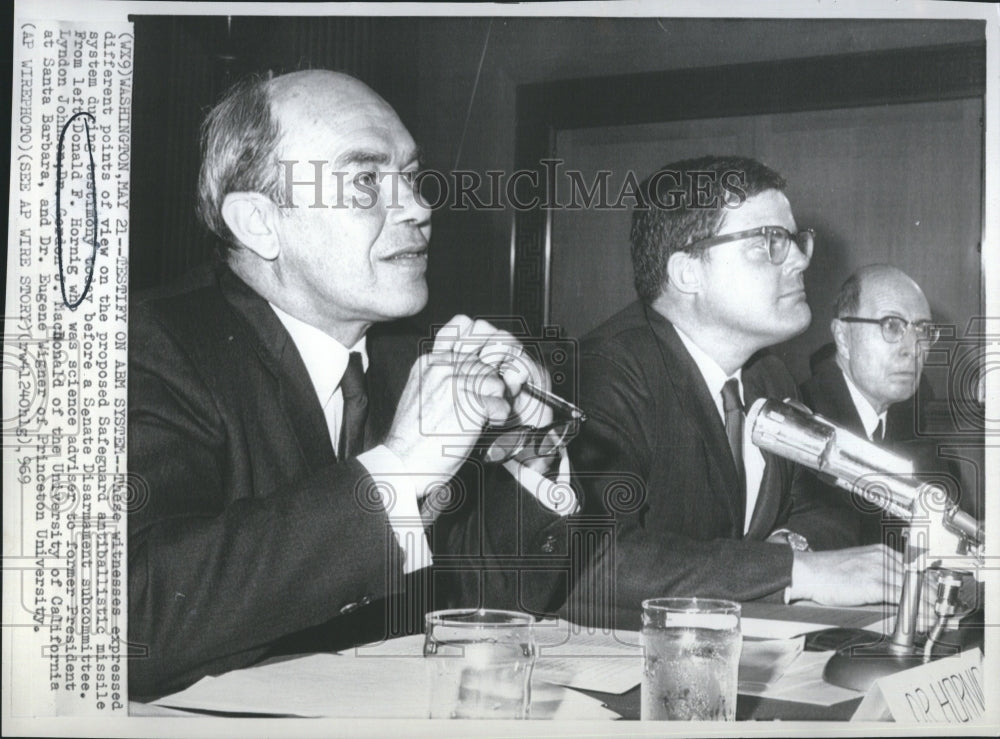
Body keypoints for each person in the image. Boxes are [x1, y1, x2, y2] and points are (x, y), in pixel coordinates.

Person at [128, 70, 574, 697]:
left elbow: (481, 614)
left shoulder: (402, 361)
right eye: (366, 179)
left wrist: (531, 451)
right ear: (259, 222)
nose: (419, 207)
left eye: (412, 177)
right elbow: (126, 620)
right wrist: (397, 469)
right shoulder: (144, 348)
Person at [566, 155, 902, 629]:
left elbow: (822, 506)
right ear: (688, 272)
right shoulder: (604, 374)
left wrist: (791, 545)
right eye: (770, 242)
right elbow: (593, 559)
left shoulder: (768, 377)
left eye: (794, 239)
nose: (802, 259)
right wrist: (795, 572)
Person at [800, 264, 957, 546]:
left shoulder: (920, 433)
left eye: (923, 330)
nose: (913, 348)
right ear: (843, 338)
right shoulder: (802, 421)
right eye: (891, 325)